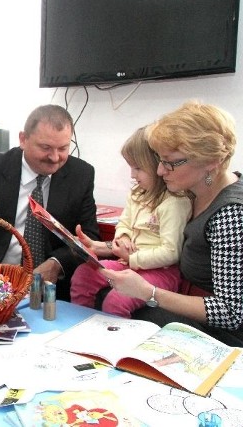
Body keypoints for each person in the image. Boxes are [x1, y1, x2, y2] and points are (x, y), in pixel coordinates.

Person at [87, 101, 243, 346]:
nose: (160, 170)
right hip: (190, 304)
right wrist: (108, 246)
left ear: (210, 160)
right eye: (160, 160)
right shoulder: (194, 193)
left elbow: (230, 313)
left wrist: (149, 293)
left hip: (224, 337)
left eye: (170, 161)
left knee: (128, 312)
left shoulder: (230, 214)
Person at [0, 105, 100, 301]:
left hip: (50, 293)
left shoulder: (80, 175)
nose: (55, 158)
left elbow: (88, 237)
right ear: (23, 139)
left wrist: (57, 263)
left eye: (63, 148)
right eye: (45, 147)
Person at [69, 127, 192, 317]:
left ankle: (118, 341)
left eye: (138, 168)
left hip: (161, 272)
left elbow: (171, 252)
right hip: (128, 263)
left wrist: (132, 259)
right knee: (84, 275)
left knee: (116, 300)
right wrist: (123, 237)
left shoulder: (174, 202)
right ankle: (80, 323)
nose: (132, 175)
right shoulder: (137, 194)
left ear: (157, 165)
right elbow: (124, 223)